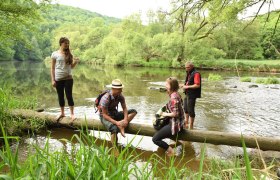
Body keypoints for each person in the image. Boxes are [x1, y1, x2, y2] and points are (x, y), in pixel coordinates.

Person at [99, 79, 137, 150]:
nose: (121, 91)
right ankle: (114, 148)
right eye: (120, 89)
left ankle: (122, 126)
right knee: (114, 129)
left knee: (133, 111)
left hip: (114, 113)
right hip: (105, 116)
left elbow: (124, 108)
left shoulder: (120, 96)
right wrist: (117, 122)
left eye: (121, 89)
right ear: (114, 89)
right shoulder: (106, 98)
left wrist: (125, 120)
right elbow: (104, 115)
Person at [152, 77, 184, 156]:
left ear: (171, 86)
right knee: (157, 126)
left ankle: (171, 151)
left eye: (167, 84)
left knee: (155, 139)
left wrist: (164, 114)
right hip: (177, 122)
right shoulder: (175, 94)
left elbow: (175, 114)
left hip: (175, 124)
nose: (165, 85)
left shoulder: (174, 97)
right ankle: (178, 143)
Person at [51, 37, 79, 121]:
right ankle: (62, 113)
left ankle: (72, 114)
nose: (67, 45)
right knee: (60, 96)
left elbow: (71, 67)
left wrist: (76, 62)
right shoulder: (55, 54)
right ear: (61, 43)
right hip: (58, 78)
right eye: (65, 43)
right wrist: (53, 80)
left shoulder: (70, 54)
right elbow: (52, 68)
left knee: (69, 96)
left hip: (68, 78)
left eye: (68, 43)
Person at [180, 62, 201, 129]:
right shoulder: (189, 72)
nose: (186, 69)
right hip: (187, 93)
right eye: (185, 67)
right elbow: (188, 82)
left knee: (190, 110)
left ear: (192, 66)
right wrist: (184, 85)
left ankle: (191, 126)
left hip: (192, 94)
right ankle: (186, 122)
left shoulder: (196, 73)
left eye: (188, 67)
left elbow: (197, 85)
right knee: (185, 108)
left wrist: (187, 87)